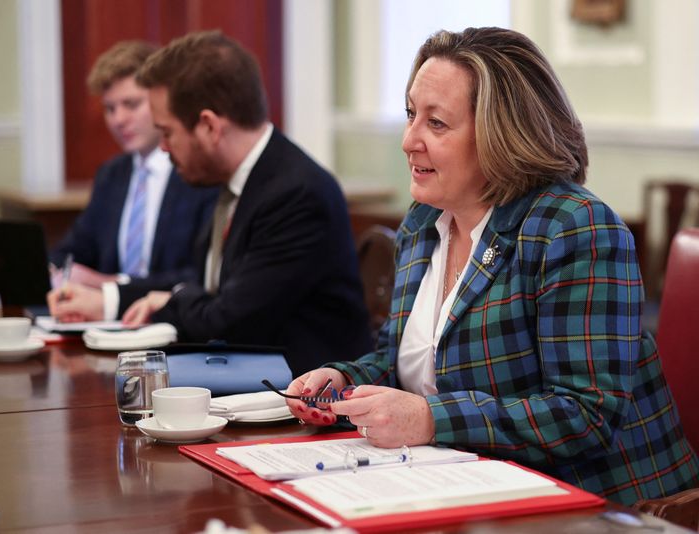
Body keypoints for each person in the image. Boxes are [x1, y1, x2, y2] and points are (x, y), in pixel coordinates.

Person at [284, 27, 698, 505]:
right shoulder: (424, 223)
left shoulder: (573, 227)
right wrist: (343, 381)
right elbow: (408, 361)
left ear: (501, 135)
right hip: (462, 487)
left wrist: (430, 419)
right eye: (410, 115)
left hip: (605, 506)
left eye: (436, 124)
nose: (409, 140)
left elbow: (586, 416)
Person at [50, 31, 373, 375]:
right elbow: (210, 292)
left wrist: (174, 300)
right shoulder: (238, 179)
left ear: (208, 127)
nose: (163, 148)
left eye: (168, 133)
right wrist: (167, 299)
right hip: (248, 379)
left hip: (306, 402)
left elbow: (226, 320)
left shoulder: (295, 193)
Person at [49, 41, 217, 312]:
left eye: (131, 104)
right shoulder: (112, 174)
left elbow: (200, 275)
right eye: (110, 108)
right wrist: (56, 271)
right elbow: (74, 248)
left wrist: (111, 285)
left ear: (161, 101)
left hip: (172, 325)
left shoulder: (199, 172)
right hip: (105, 328)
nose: (118, 119)